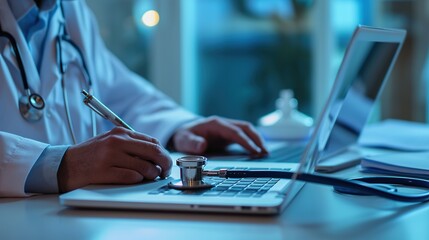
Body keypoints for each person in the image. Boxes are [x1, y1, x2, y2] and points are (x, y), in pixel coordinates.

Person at [0, 0, 268, 197]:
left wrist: (179, 127)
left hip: (67, 217)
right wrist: (61, 166)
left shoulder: (68, 10)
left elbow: (117, 92)